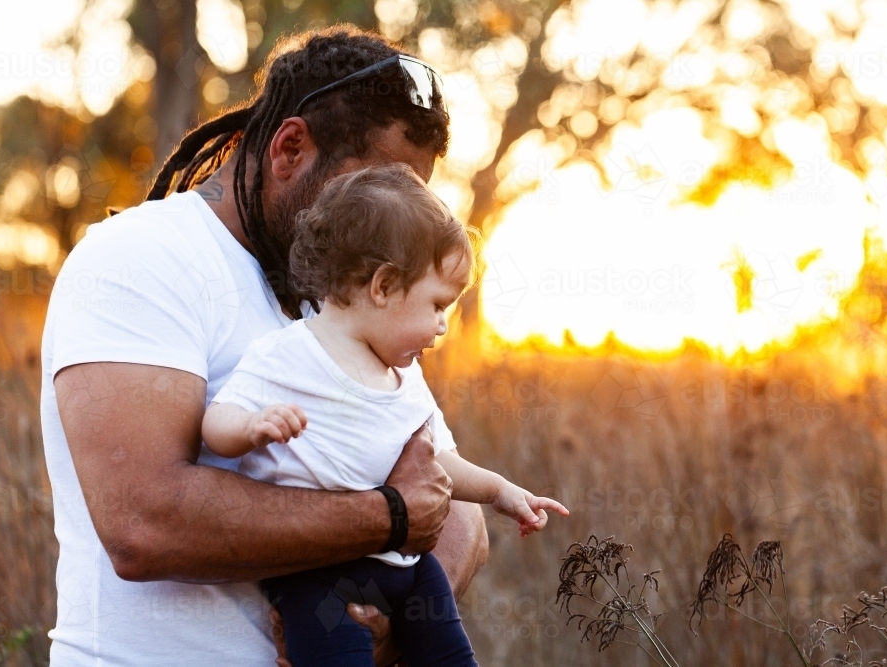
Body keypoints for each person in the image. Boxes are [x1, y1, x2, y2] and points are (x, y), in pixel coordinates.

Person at [42, 27, 488, 667]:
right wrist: (388, 517)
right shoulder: (140, 259)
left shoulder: (348, 292)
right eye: (372, 189)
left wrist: (391, 626)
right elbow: (144, 523)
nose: (391, 222)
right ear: (290, 148)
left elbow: (450, 506)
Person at [201, 165, 569, 666]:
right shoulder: (287, 355)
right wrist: (249, 428)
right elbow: (215, 421)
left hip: (413, 568)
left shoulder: (405, 378)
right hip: (321, 575)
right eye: (438, 305)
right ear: (384, 286)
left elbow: (441, 463)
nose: (443, 326)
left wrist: (502, 491)